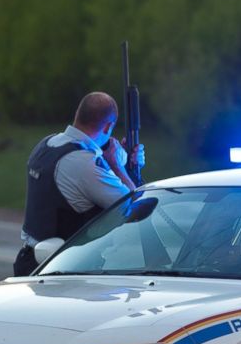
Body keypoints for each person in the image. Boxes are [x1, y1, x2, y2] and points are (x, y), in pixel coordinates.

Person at [13, 91, 146, 276]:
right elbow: (133, 205)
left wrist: (124, 162)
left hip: (28, 262)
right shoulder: (85, 163)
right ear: (108, 127)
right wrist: (119, 167)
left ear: (78, 113)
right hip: (64, 273)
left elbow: (88, 171)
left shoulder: (47, 144)